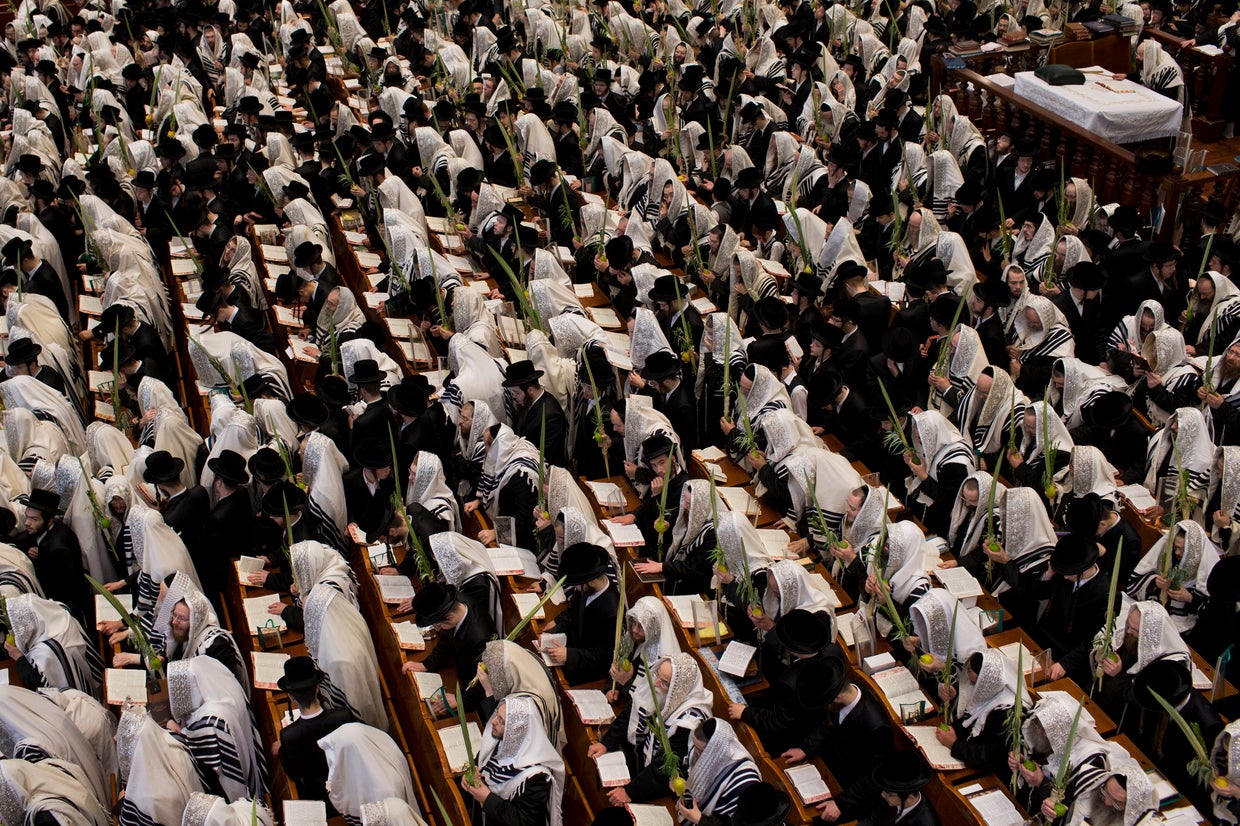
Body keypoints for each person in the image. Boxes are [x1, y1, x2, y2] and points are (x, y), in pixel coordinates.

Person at [462, 695, 566, 826]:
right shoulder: (498, 743)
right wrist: (471, 772)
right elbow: (478, 762)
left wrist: (487, 798)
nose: (493, 721)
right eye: (496, 714)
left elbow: (523, 821)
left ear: (516, 730)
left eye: (501, 720)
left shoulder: (537, 777)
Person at [277, 656, 358, 813]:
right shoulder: (343, 715)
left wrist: (281, 749)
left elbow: (294, 772)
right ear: (317, 688)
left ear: (291, 697)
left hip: (319, 798)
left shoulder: (289, 735)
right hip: (351, 785)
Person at [405, 582, 496, 714]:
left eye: (437, 626)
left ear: (449, 618)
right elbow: (447, 638)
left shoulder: (482, 638)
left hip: (473, 691)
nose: (438, 629)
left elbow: (486, 676)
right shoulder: (455, 606)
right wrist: (427, 664)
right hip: (461, 672)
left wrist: (461, 699)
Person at [540, 542, 620, 686]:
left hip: (586, 670)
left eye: (577, 584)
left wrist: (569, 655)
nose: (575, 588)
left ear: (591, 581)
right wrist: (556, 626)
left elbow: (603, 654)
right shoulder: (585, 589)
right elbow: (573, 612)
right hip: (570, 647)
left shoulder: (612, 611)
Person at [2, 593, 103, 694]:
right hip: (92, 677)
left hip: (76, 697)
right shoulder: (60, 611)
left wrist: (19, 658)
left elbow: (38, 686)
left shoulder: (45, 651)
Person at [16, 488, 89, 623]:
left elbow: (65, 588)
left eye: (34, 519)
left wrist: (43, 556)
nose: (27, 523)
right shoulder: (41, 530)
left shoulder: (59, 548)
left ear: (49, 521)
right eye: (27, 517)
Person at [862, 751, 938, 826]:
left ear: (910, 797)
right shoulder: (891, 798)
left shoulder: (925, 823)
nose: (882, 794)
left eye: (890, 794)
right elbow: (873, 820)